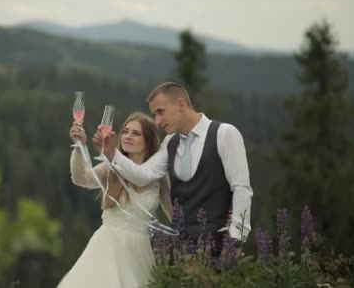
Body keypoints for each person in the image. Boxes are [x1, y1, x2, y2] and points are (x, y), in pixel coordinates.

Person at [93, 82, 253, 257]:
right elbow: (143, 176)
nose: (157, 121)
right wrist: (112, 153)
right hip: (180, 249)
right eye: (154, 114)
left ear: (181, 104)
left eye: (160, 112)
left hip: (218, 246)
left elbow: (241, 188)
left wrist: (236, 240)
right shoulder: (170, 142)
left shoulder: (225, 134)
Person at [58, 112, 172, 288]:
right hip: (107, 248)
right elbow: (81, 178)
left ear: (149, 140)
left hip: (139, 254)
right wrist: (79, 146)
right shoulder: (110, 168)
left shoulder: (159, 177)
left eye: (136, 133)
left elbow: (175, 213)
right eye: (125, 131)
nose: (128, 136)